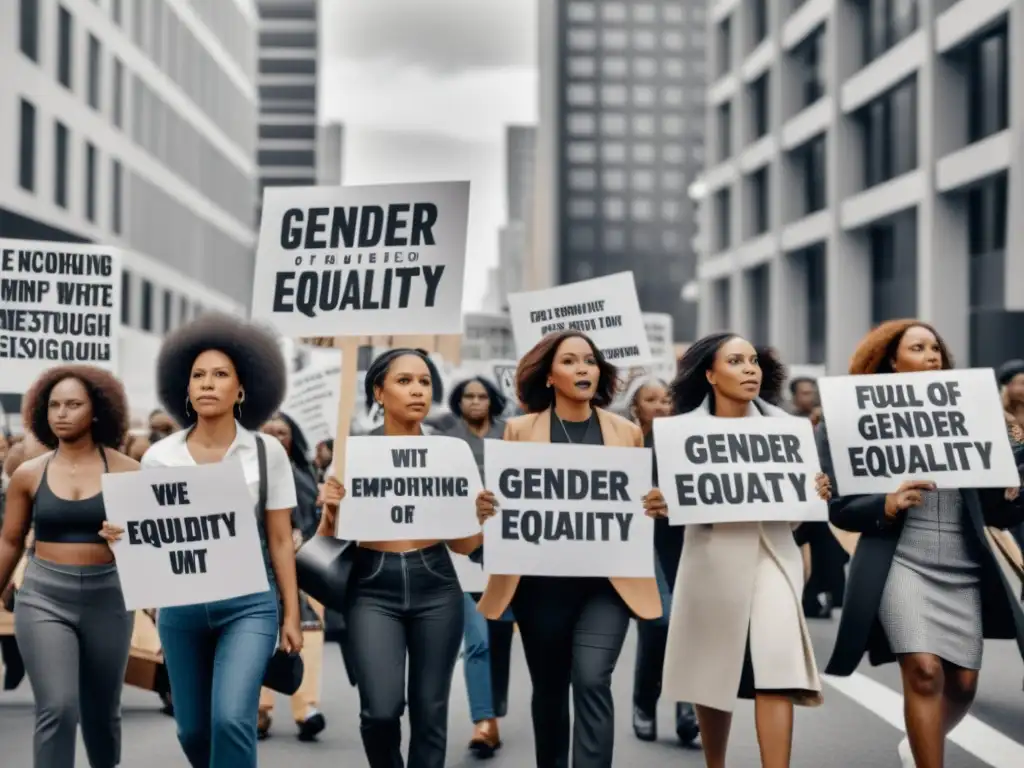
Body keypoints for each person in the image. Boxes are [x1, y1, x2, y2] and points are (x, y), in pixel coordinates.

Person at [814, 319, 1024, 768]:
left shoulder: (977, 417)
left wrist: (1012, 487)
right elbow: (839, 507)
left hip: (962, 561)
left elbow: (998, 514)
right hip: (901, 560)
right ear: (892, 359)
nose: (932, 355)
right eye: (918, 347)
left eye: (936, 348)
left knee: (963, 684)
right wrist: (886, 504)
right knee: (925, 672)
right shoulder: (852, 421)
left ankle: (918, 742)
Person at [102, 313, 302, 768]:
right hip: (181, 610)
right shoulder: (158, 457)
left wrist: (291, 614)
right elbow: (148, 537)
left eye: (220, 374)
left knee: (233, 719)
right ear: (185, 390)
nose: (208, 384)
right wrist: (122, 535)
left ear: (242, 388)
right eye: (198, 376)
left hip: (249, 604)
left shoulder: (268, 453)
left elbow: (279, 539)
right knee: (193, 730)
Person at [474, 331, 665, 768]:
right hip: (541, 587)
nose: (584, 369)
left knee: (593, 678)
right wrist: (487, 506)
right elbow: (508, 501)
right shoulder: (520, 431)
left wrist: (654, 504)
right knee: (550, 688)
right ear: (549, 376)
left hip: (607, 586)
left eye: (591, 361)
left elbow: (636, 503)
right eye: (571, 361)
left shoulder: (627, 432)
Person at [658, 333, 822, 768]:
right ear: (710, 374)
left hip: (772, 556)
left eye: (753, 360)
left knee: (777, 667)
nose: (750, 368)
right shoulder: (680, 434)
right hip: (711, 559)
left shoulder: (790, 431)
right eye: (736, 360)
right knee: (712, 673)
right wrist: (665, 503)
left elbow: (795, 517)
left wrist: (813, 494)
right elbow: (673, 505)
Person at [318, 348, 482, 768]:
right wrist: (331, 507)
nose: (417, 391)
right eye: (404, 381)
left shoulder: (451, 454)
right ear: (379, 390)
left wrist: (477, 517)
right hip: (372, 588)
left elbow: (464, 546)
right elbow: (329, 540)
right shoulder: (352, 453)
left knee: (431, 713)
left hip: (437, 586)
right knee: (380, 711)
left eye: (424, 382)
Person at [0, 365, 138, 767]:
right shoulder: (28, 474)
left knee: (102, 715)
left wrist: (127, 538)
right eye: (54, 405)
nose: (62, 413)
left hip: (109, 599)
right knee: (57, 708)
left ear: (96, 411)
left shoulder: (129, 471)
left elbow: (151, 545)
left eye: (73, 405)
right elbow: (10, 541)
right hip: (44, 597)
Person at [619, 376, 700, 747]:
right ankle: (644, 704)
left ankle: (687, 707)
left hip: (683, 543)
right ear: (636, 407)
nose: (662, 405)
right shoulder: (625, 443)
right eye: (652, 399)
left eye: (667, 399)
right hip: (641, 544)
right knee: (658, 622)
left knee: (688, 623)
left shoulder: (688, 442)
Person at [444, 376, 515, 756]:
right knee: (478, 638)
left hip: (507, 549)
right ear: (459, 402)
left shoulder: (511, 433)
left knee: (500, 633)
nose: (475, 402)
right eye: (468, 396)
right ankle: (485, 720)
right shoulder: (446, 438)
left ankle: (494, 705)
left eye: (482, 395)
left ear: (492, 400)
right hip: (461, 550)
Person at [257, 413, 327, 742]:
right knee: (258, 635)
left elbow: (319, 521)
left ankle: (306, 709)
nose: (275, 438)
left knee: (307, 634)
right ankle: (260, 708)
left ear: (292, 438)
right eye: (268, 432)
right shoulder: (246, 474)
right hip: (260, 569)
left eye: (282, 432)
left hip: (308, 567)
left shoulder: (308, 474)